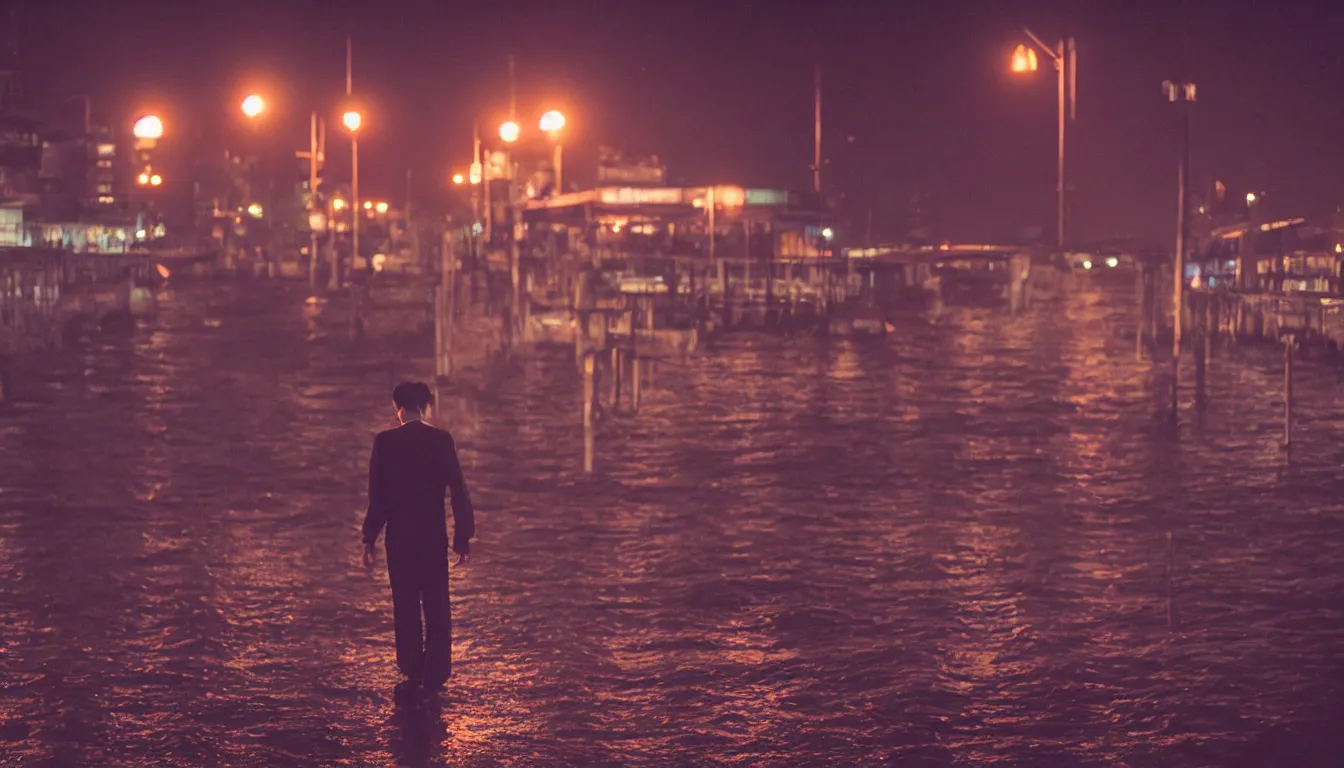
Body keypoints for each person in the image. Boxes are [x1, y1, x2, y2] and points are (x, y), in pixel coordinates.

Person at [362, 381, 475, 699]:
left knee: (406, 605)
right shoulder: (441, 440)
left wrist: (369, 538)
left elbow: (378, 498)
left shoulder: (385, 443)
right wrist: (462, 537)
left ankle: (411, 668)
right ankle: (435, 673)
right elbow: (458, 490)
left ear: (397, 407)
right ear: (425, 407)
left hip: (399, 539)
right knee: (437, 605)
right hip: (431, 537)